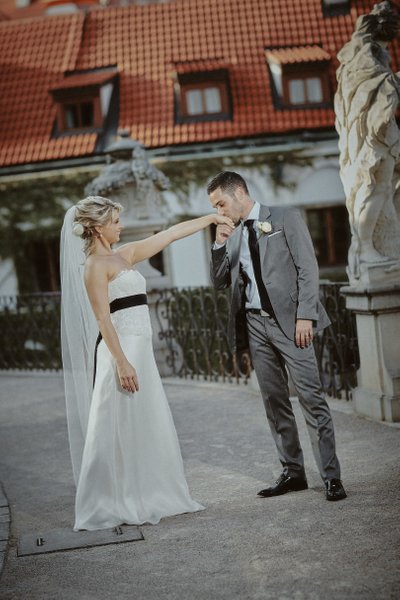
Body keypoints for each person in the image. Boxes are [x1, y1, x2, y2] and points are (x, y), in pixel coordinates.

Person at [60, 195, 234, 530]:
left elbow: (169, 234)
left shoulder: (125, 255)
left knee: (147, 419)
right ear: (97, 228)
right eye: (115, 222)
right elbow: (102, 320)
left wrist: (209, 220)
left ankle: (155, 489)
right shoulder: (95, 268)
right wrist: (122, 363)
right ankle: (113, 498)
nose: (121, 226)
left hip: (141, 351)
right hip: (120, 354)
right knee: (116, 425)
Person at [208, 171, 347, 502]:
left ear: (240, 192)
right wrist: (219, 243)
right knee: (274, 402)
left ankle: (331, 476)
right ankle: (293, 473)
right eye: (216, 206)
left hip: (292, 324)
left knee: (312, 400)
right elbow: (219, 282)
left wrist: (305, 317)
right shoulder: (235, 234)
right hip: (255, 327)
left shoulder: (285, 217)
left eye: (221, 203)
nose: (220, 211)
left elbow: (307, 270)